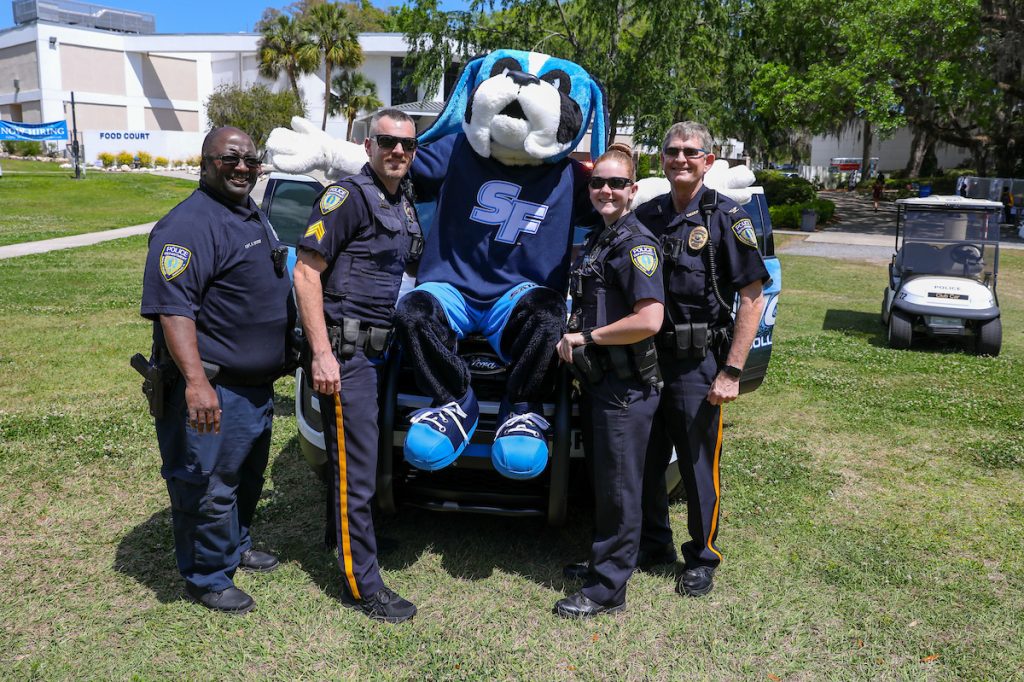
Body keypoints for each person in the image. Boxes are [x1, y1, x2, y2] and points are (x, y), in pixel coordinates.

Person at [140, 127, 292, 614]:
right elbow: (174, 311)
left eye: (251, 159)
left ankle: (234, 546)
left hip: (253, 387)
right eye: (230, 159)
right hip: (215, 387)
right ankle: (206, 577)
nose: (243, 167)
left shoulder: (248, 212)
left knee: (244, 478)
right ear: (205, 162)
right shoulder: (187, 225)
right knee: (207, 484)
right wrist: (198, 385)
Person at [291, 108, 422, 624]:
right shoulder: (345, 196)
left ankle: (347, 539)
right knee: (356, 471)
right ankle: (362, 582)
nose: (397, 152)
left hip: (379, 349)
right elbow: (306, 274)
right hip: (346, 354)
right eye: (388, 142)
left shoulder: (400, 201)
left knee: (361, 460)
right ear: (368, 145)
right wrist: (322, 354)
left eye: (407, 146)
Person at [634, 121, 769, 598]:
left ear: (708, 161)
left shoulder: (728, 218)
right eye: (672, 151)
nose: (681, 159)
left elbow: (752, 297)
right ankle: (652, 544)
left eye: (692, 152)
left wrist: (732, 370)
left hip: (698, 362)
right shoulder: (647, 216)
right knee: (645, 460)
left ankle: (702, 555)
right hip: (647, 360)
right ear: (663, 159)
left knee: (695, 466)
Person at [553, 144, 665, 618]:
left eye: (617, 183)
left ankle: (608, 589)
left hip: (626, 389)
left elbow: (650, 319)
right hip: (602, 384)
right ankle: (604, 561)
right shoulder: (602, 237)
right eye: (598, 182)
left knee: (620, 490)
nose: (606, 190)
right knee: (607, 484)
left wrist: (587, 337)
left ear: (633, 190)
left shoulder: (636, 244)